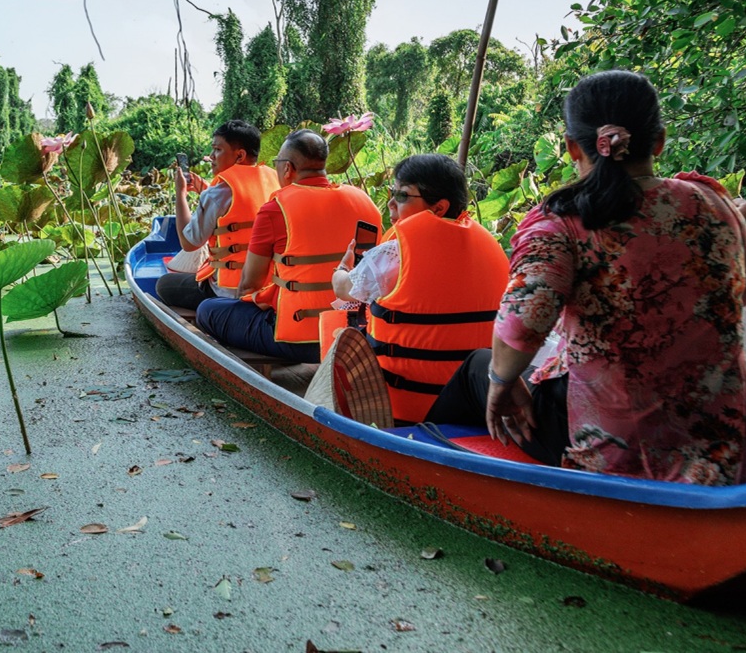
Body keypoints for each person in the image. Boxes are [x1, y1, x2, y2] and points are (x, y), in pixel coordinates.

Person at [432, 70, 746, 485]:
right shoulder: (716, 204)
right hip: (724, 443)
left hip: (618, 448)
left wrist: (501, 383)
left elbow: (520, 329)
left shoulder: (562, 223)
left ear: (572, 147)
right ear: (659, 142)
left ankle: (425, 466)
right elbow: (743, 290)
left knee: (477, 368)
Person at [330, 154, 509, 425]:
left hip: (409, 406)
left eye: (402, 195)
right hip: (475, 399)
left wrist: (341, 269)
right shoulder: (490, 246)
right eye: (392, 193)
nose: (391, 203)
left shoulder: (394, 254)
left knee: (338, 326)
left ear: (439, 207)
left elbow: (343, 289)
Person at [196, 130, 382, 363]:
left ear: (287, 168)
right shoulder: (366, 202)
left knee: (208, 310)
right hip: (354, 335)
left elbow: (248, 285)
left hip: (299, 340)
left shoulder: (276, 209)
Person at [155, 120, 278, 311]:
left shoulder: (216, 194)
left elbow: (189, 243)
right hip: (269, 287)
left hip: (228, 291)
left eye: (217, 150)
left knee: (164, 285)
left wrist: (180, 195)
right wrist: (206, 190)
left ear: (240, 155)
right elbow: (245, 204)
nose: (211, 156)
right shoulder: (275, 179)